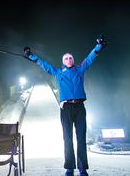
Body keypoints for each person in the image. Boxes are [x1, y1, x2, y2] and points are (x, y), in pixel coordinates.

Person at [23, 36, 107, 176]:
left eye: (70, 58)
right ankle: (69, 167)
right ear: (63, 62)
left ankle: (82, 168)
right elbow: (43, 64)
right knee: (67, 138)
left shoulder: (79, 69)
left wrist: (99, 46)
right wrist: (30, 55)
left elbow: (90, 58)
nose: (69, 60)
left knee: (81, 138)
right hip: (66, 108)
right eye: (66, 58)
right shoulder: (58, 72)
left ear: (73, 61)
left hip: (80, 107)